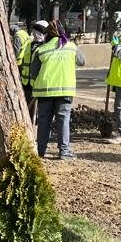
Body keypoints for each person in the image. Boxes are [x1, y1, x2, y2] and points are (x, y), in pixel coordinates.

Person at [30, 21, 86, 160]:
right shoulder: (72, 47)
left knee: (43, 121)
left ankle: (40, 151)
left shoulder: (41, 50)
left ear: (46, 35)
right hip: (65, 91)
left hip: (45, 91)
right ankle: (64, 151)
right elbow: (82, 61)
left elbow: (33, 72)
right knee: (63, 120)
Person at [21, 20, 49, 114]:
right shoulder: (28, 45)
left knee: (37, 110)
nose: (35, 33)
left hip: (37, 83)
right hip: (26, 83)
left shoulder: (44, 47)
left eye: (38, 31)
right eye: (34, 30)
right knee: (28, 108)